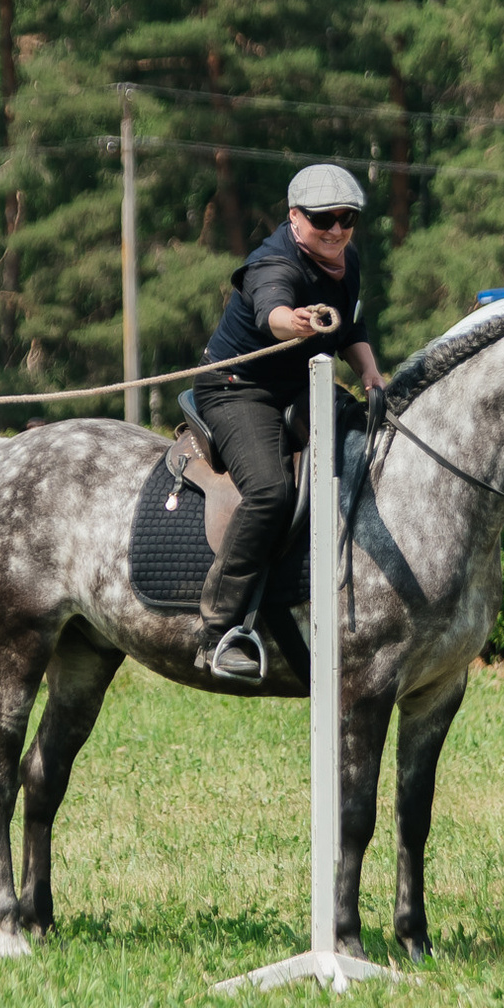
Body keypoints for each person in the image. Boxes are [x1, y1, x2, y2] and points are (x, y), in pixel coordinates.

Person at [192, 163, 386, 680]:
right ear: (295, 218)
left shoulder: (347, 260)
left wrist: (370, 373)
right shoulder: (272, 265)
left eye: (348, 218)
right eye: (325, 219)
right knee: (270, 492)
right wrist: (294, 322)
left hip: (305, 385)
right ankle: (218, 631)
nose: (338, 230)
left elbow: (352, 325)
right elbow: (271, 314)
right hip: (239, 391)